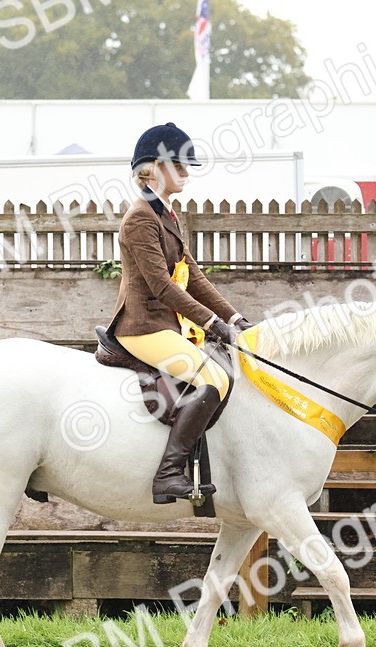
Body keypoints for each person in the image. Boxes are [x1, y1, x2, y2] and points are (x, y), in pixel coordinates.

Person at [107, 122, 250, 504]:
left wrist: (234, 319)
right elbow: (162, 286)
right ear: (154, 168)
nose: (187, 172)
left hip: (165, 324)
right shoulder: (140, 218)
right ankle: (168, 474)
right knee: (213, 379)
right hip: (142, 325)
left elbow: (193, 277)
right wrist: (210, 322)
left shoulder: (166, 215)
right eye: (179, 165)